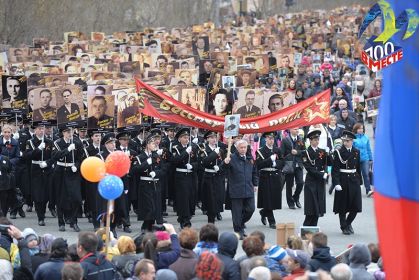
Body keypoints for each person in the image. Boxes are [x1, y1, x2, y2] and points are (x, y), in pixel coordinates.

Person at [224, 139, 258, 239]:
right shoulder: (231, 158)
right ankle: (238, 231)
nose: (243, 149)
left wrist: (255, 184)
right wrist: (225, 163)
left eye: (245, 147)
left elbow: (254, 172)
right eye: (241, 147)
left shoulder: (249, 158)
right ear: (237, 148)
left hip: (248, 188)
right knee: (237, 212)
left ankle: (240, 223)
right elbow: (223, 170)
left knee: (251, 209)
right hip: (236, 189)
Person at [52, 127, 84, 232]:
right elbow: (55, 156)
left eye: (70, 131)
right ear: (63, 133)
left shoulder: (77, 142)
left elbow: (80, 157)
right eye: (67, 131)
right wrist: (68, 149)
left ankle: (74, 221)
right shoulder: (57, 143)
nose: (69, 133)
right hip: (60, 171)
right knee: (60, 198)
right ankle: (61, 222)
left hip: (73, 172)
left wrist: (77, 165)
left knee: (76, 198)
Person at [332, 131, 362, 235]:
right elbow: (335, 170)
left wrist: (360, 181)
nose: (345, 143)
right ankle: (343, 226)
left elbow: (358, 167)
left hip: (354, 180)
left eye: (348, 141)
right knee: (342, 206)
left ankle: (347, 223)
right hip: (343, 180)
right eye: (344, 141)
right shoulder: (338, 152)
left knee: (356, 206)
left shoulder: (356, 151)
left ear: (352, 141)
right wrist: (336, 183)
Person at [131, 133, 164, 232]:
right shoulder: (140, 157)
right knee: (148, 207)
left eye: (155, 143)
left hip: (155, 184)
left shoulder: (157, 156)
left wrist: (156, 173)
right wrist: (147, 163)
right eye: (152, 143)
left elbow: (163, 170)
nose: (155, 144)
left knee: (155, 207)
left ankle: (150, 226)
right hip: (145, 185)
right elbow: (135, 170)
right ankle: (145, 226)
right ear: (147, 145)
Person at [24, 124, 53, 226]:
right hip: (36, 170)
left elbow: (53, 157)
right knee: (37, 195)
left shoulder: (49, 142)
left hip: (46, 169)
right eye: (39, 129)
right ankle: (40, 217)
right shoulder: (30, 142)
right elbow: (27, 156)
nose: (41, 131)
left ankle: (43, 212)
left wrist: (47, 163)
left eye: (43, 129)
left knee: (45, 195)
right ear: (35, 130)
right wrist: (38, 149)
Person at [255, 132, 283, 228]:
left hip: (275, 175)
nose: (271, 140)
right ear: (265, 139)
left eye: (272, 138)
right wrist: (269, 160)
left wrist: (276, 164)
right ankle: (272, 220)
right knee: (267, 199)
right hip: (265, 176)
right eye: (269, 138)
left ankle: (263, 212)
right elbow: (258, 165)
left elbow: (282, 161)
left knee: (274, 199)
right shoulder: (260, 151)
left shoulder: (277, 150)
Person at [171, 128, 198, 228]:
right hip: (181, 177)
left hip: (191, 176)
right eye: (184, 138)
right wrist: (186, 152)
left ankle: (187, 216)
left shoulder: (192, 148)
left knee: (191, 198)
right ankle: (184, 221)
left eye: (187, 137)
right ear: (179, 139)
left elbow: (197, 162)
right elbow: (175, 160)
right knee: (183, 199)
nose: (187, 139)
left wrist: (193, 166)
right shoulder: (176, 148)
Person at [301, 129, 329, 226]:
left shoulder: (322, 151)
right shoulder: (306, 153)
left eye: (318, 139)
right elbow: (309, 168)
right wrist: (322, 175)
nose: (317, 141)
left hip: (320, 183)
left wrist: (330, 154)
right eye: (315, 140)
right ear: (310, 140)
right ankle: (306, 229)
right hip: (311, 182)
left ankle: (314, 228)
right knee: (311, 209)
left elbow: (327, 164)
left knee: (318, 209)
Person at [199, 131, 225, 223]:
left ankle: (216, 214)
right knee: (210, 201)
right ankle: (211, 221)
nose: (214, 139)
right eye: (211, 137)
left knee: (218, 199)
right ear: (207, 139)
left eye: (215, 137)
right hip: (209, 177)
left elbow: (223, 163)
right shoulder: (204, 150)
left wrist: (220, 167)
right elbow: (204, 162)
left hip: (218, 177)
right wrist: (214, 153)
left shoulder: (220, 149)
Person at [281, 128, 305, 209]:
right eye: (295, 129)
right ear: (290, 130)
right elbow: (282, 153)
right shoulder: (285, 140)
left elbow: (304, 151)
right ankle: (290, 202)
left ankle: (295, 197)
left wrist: (297, 152)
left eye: (298, 129)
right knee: (289, 185)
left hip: (299, 165)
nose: (297, 130)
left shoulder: (300, 139)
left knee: (300, 183)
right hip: (289, 165)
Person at [353, 123, 374, 197]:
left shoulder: (366, 137)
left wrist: (371, 159)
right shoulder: (353, 138)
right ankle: (356, 190)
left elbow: (368, 149)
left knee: (366, 174)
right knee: (356, 175)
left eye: (362, 128)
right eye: (359, 128)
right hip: (356, 159)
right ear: (356, 129)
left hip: (365, 158)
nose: (361, 130)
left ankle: (368, 190)